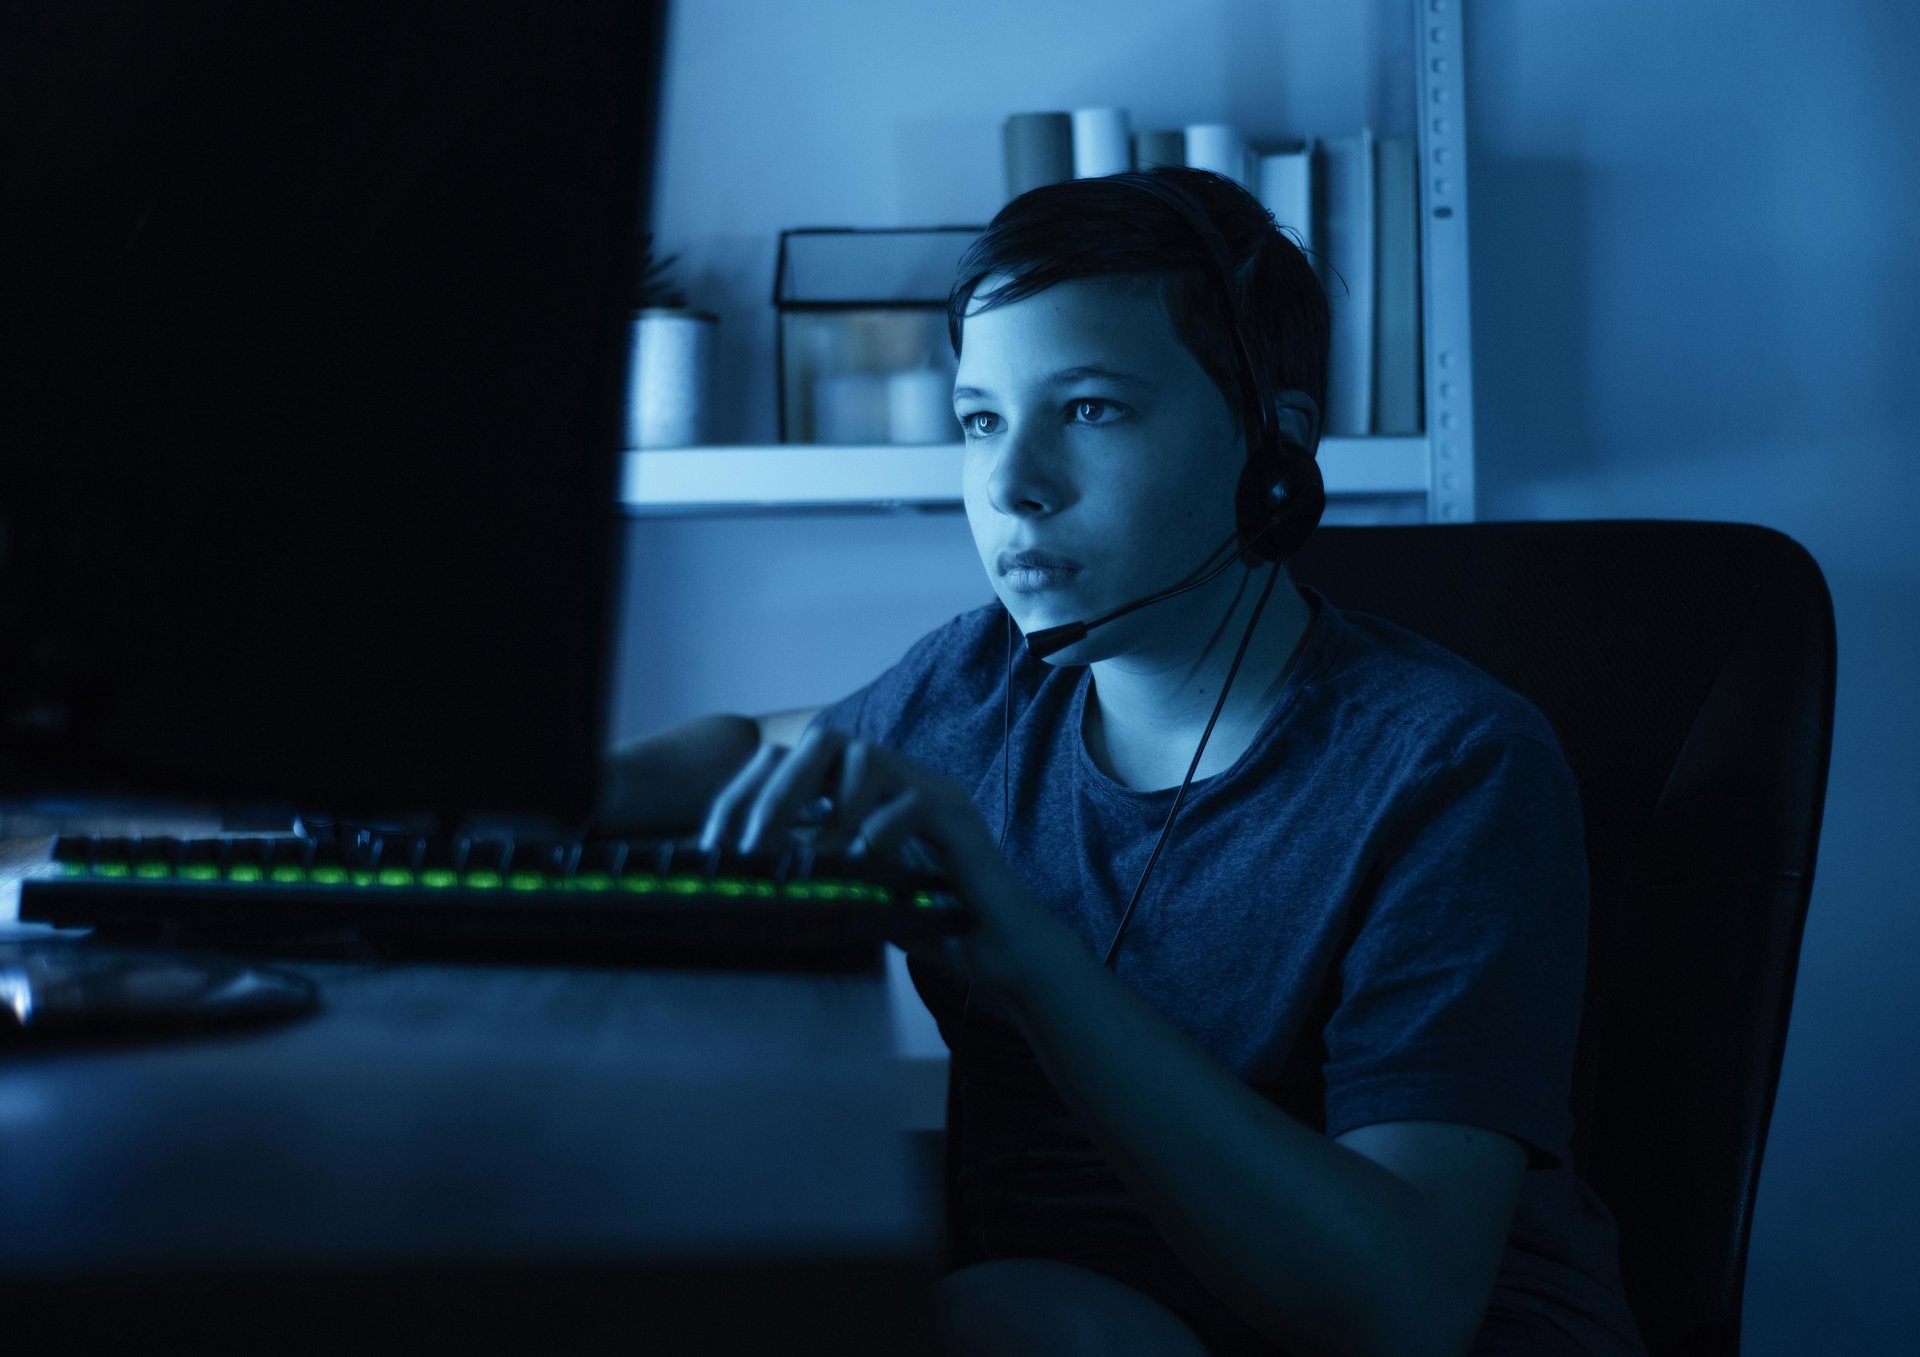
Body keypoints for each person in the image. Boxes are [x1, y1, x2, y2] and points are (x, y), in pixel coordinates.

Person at [595, 167, 1649, 1357]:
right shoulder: (983, 680)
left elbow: (1405, 1308)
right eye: (982, 419)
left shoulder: (1454, 768)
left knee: (1009, 1321)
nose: (1010, 485)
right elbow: (750, 746)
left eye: (1089, 409)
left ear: (1274, 444)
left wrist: (1026, 956)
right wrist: (504, 793)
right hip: (1073, 1313)